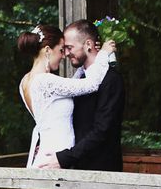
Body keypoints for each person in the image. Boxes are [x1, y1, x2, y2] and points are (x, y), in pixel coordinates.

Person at [17, 24, 116, 169]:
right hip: (56, 157)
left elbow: (71, 86)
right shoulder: (46, 81)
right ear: (47, 51)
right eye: (61, 50)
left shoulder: (25, 81)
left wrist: (87, 58)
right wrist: (103, 54)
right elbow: (91, 84)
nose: (64, 56)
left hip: (47, 153)